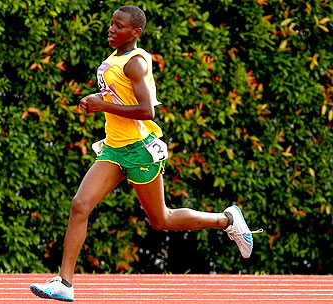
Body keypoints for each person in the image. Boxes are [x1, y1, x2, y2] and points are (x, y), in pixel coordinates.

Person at [30, 5, 262, 302]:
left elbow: (146, 110)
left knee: (161, 219)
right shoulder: (115, 58)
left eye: (119, 26)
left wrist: (102, 105)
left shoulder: (135, 63)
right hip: (114, 147)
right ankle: (65, 283)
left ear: (136, 32)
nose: (111, 29)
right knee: (80, 206)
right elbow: (122, 96)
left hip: (139, 150)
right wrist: (96, 100)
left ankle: (227, 221)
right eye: (111, 24)